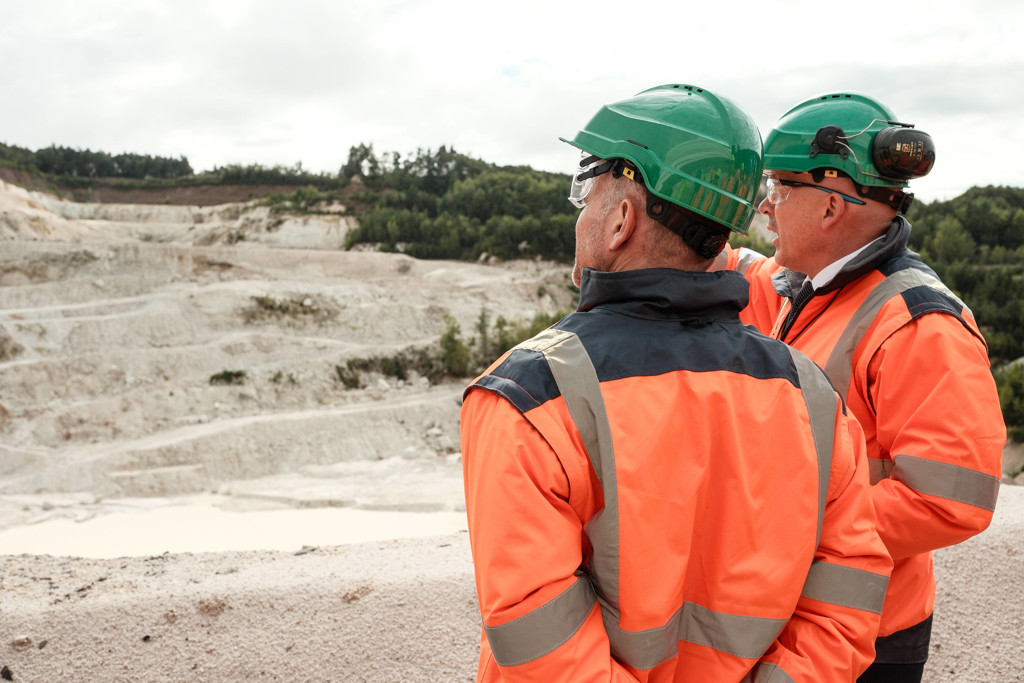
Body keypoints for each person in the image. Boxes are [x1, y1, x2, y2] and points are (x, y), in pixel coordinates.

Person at [460, 84, 892, 682]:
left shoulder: (530, 396)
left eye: (586, 191)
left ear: (620, 220)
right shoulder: (809, 393)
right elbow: (847, 594)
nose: (580, 211)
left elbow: (539, 641)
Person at [732, 93, 1006, 682]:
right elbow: (742, 273)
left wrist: (783, 522)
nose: (764, 207)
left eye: (778, 189)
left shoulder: (919, 323)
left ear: (831, 207)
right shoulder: (811, 286)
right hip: (811, 614)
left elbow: (950, 499)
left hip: (868, 635)